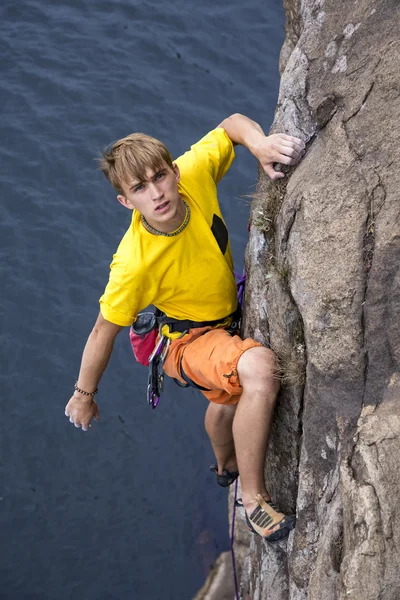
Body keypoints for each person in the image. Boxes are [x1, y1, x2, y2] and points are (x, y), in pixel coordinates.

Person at [65, 113, 305, 541]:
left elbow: (231, 126)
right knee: (259, 370)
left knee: (229, 398)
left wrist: (261, 144)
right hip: (186, 341)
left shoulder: (191, 176)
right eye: (139, 188)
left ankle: (224, 466)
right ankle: (252, 500)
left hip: (226, 316)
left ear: (174, 171)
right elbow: (103, 331)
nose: (157, 193)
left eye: (160, 177)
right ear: (125, 201)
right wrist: (84, 395)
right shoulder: (134, 265)